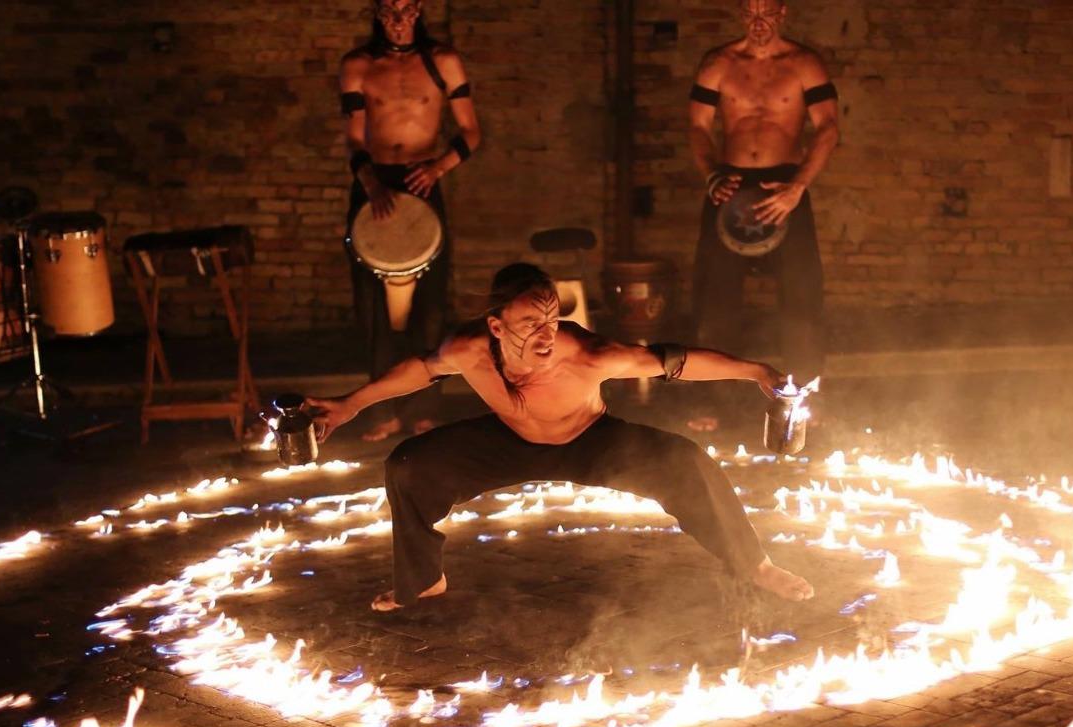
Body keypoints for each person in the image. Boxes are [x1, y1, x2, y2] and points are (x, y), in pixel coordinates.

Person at [305, 263, 815, 612]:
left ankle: (757, 566)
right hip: (506, 441)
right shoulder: (468, 350)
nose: (546, 333)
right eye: (531, 321)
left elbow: (674, 360)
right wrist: (350, 403)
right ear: (497, 326)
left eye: (551, 318)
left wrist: (754, 372)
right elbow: (418, 371)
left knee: (687, 461)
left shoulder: (588, 353)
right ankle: (422, 579)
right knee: (409, 466)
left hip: (590, 441)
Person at [686, 0, 839, 430]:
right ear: (739, 13)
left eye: (766, 12)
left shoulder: (804, 63)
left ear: (782, 13)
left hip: (784, 186)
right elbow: (698, 127)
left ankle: (805, 399)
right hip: (730, 184)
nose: (758, 22)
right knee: (715, 298)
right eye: (749, 12)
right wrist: (711, 173)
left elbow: (828, 127)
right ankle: (711, 400)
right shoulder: (719, 62)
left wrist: (798, 186)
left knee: (801, 297)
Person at [339, 0, 481, 441]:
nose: (398, 21)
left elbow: (472, 132)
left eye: (406, 9)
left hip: (423, 180)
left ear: (418, 11)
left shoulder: (443, 61)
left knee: (430, 305)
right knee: (372, 306)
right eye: (389, 11)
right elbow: (353, 138)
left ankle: (424, 408)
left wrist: (438, 168)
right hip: (374, 180)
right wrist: (370, 182)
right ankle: (383, 410)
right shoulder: (358, 65)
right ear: (377, 14)